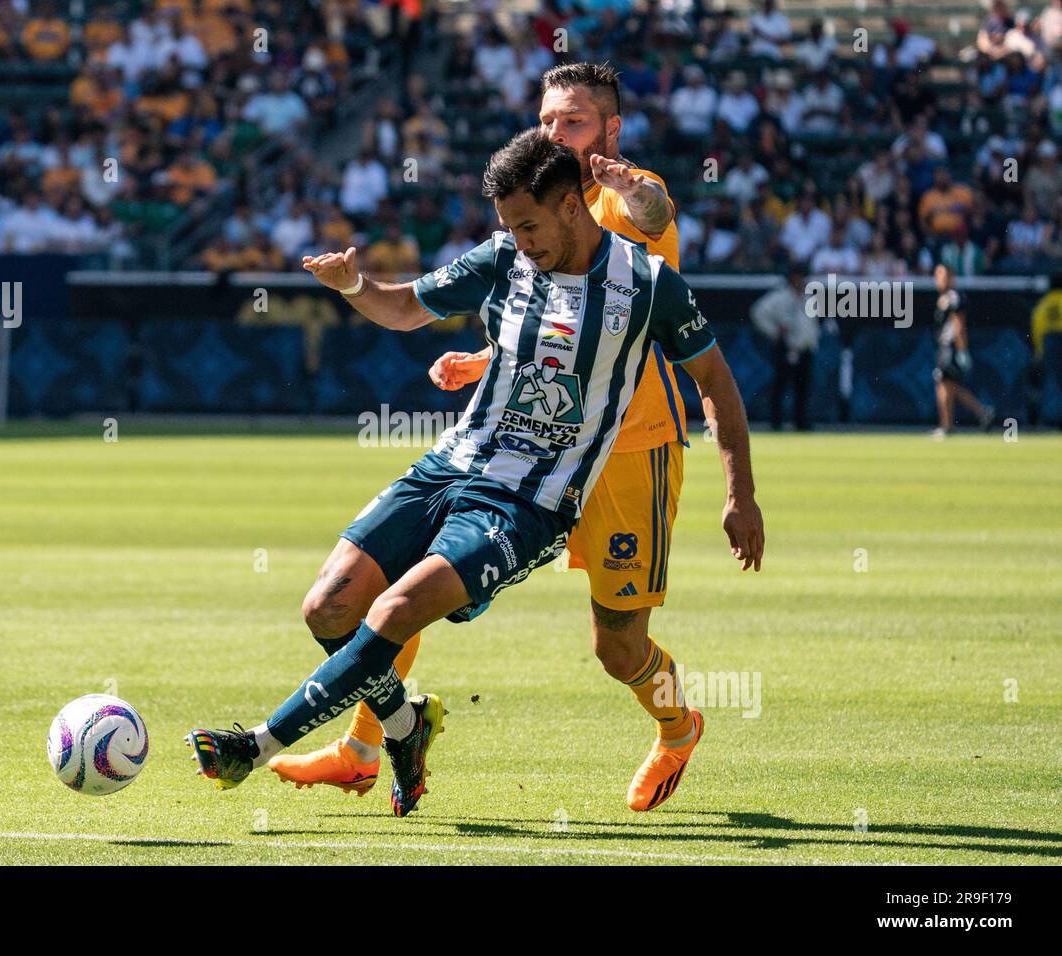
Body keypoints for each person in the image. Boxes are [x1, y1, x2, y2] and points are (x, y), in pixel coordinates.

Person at [184, 131, 762, 819]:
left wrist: (741, 495)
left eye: (528, 225)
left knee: (568, 636)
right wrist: (353, 286)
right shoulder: (502, 260)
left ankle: (255, 744)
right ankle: (404, 728)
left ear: (574, 206)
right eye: (507, 226)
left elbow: (716, 383)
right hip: (452, 463)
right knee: (328, 609)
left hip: (531, 499)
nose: (517, 240)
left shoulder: (646, 287)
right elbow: (403, 307)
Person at [750, 265, 818, 430]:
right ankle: (776, 422)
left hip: (804, 349)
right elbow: (757, 312)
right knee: (781, 385)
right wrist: (774, 331)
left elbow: (811, 324)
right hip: (786, 346)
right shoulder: (780, 297)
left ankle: (801, 422)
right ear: (792, 278)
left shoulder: (808, 298)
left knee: (803, 387)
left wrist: (813, 342)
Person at [932, 264, 995, 438]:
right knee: (950, 385)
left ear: (951, 278)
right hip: (946, 347)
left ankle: (947, 425)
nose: (938, 280)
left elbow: (959, 324)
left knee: (944, 384)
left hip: (951, 347)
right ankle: (981, 411)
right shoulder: (944, 297)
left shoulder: (953, 297)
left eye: (941, 275)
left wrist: (961, 350)